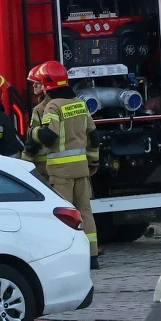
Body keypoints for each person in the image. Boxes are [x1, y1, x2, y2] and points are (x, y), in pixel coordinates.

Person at [30, 60, 101, 268]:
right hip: (81, 168)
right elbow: (94, 136)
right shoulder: (79, 103)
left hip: (61, 171)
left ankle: (68, 258)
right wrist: (93, 160)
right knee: (85, 211)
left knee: (63, 215)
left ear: (48, 84)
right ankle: (92, 256)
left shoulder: (52, 105)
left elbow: (49, 136)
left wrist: (32, 132)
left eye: (41, 82)